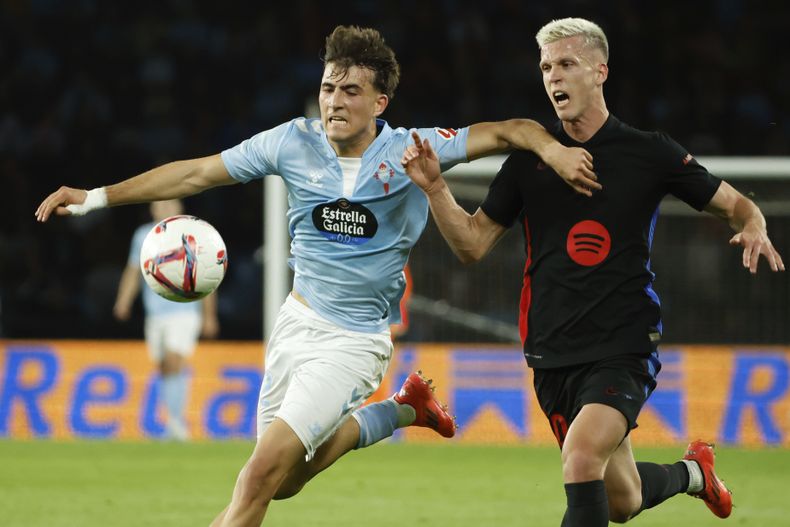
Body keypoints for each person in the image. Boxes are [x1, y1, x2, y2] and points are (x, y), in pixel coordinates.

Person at [36, 25, 598, 527]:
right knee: (283, 484)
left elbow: (512, 130)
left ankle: (397, 406)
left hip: (354, 342)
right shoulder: (291, 142)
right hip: (295, 325)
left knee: (257, 477)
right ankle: (403, 409)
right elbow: (199, 171)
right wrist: (94, 198)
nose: (335, 100)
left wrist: (554, 151)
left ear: (380, 101)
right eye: (330, 87)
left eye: (351, 91)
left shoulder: (410, 150)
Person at [401, 17, 784, 526]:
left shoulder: (650, 152)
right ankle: (695, 474)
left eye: (566, 64)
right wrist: (435, 190)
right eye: (545, 67)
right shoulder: (527, 164)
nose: (553, 77)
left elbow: (736, 205)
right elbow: (471, 245)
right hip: (552, 349)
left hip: (623, 343)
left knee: (580, 458)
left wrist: (755, 223)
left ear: (600, 71)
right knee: (620, 500)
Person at [113, 199, 220, 441]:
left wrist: (209, 316)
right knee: (164, 366)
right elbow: (133, 270)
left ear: (179, 209)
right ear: (152, 209)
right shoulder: (143, 236)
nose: (163, 209)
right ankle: (173, 422)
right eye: (159, 205)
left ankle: (176, 424)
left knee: (173, 360)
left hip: (184, 310)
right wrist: (123, 300)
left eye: (169, 205)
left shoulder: (193, 234)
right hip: (155, 314)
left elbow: (208, 276)